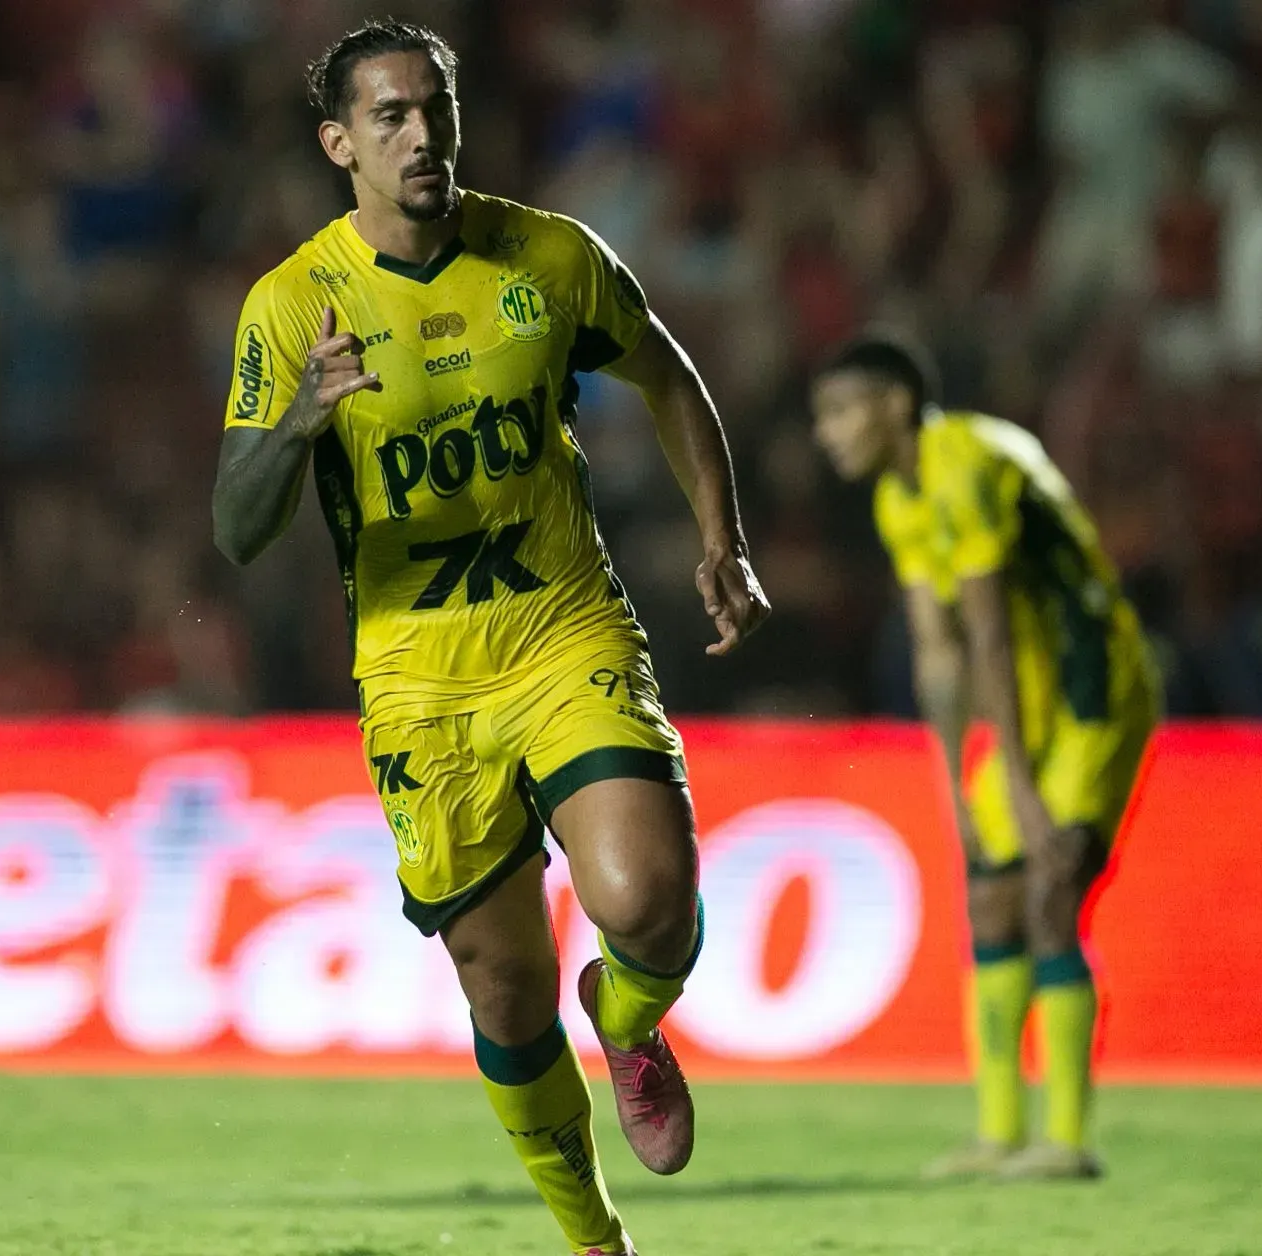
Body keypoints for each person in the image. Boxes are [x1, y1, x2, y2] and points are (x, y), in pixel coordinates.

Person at [210, 21, 769, 1256]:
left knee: (647, 899)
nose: (422, 136)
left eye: (436, 110)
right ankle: (595, 1240)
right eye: (391, 117)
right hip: (418, 680)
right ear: (339, 144)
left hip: (561, 625)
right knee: (504, 985)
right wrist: (300, 419)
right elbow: (237, 527)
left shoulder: (549, 256)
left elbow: (669, 376)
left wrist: (720, 539)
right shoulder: (292, 305)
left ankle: (629, 1017)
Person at [810, 334, 1159, 1181]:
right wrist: (952, 786)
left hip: (1090, 686)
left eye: (841, 411)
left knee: (1050, 889)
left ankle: (1066, 1139)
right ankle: (999, 1133)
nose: (827, 434)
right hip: (1024, 701)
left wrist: (1021, 789)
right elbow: (938, 654)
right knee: (991, 901)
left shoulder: (964, 464)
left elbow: (989, 634)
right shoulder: (898, 500)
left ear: (895, 404)